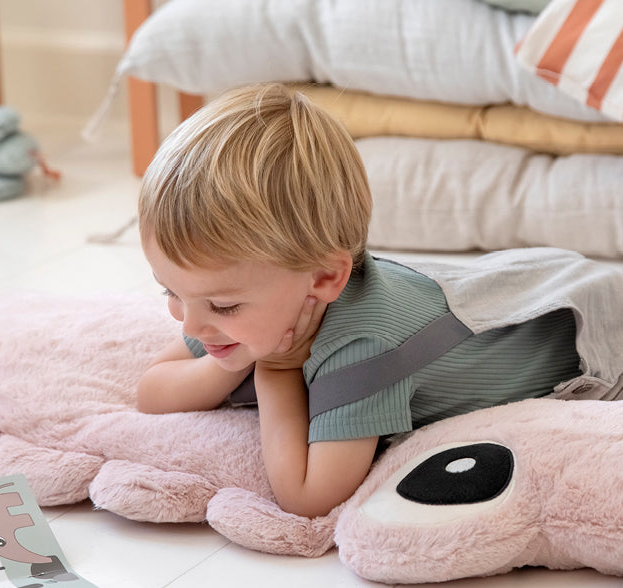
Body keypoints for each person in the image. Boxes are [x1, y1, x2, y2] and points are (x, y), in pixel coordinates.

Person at [137, 83, 623, 519]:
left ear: (325, 277)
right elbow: (153, 390)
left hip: (594, 325)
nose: (191, 323)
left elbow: (309, 498)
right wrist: (227, 362)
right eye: (171, 292)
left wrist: (275, 369)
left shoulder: (366, 346)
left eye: (221, 307)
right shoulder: (242, 304)